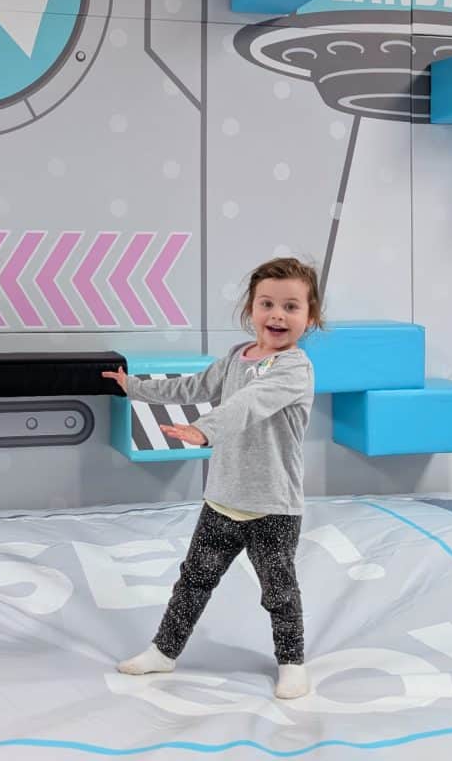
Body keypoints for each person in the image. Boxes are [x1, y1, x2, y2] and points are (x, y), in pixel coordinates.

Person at [101, 256, 322, 699]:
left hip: (271, 506)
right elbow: (192, 387)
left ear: (310, 317)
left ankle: (292, 662)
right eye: (267, 304)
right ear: (251, 309)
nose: (278, 315)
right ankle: (164, 651)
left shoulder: (295, 370)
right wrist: (136, 388)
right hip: (222, 498)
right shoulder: (235, 358)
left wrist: (205, 429)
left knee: (279, 592)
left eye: (291, 307)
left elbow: (249, 404)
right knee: (193, 581)